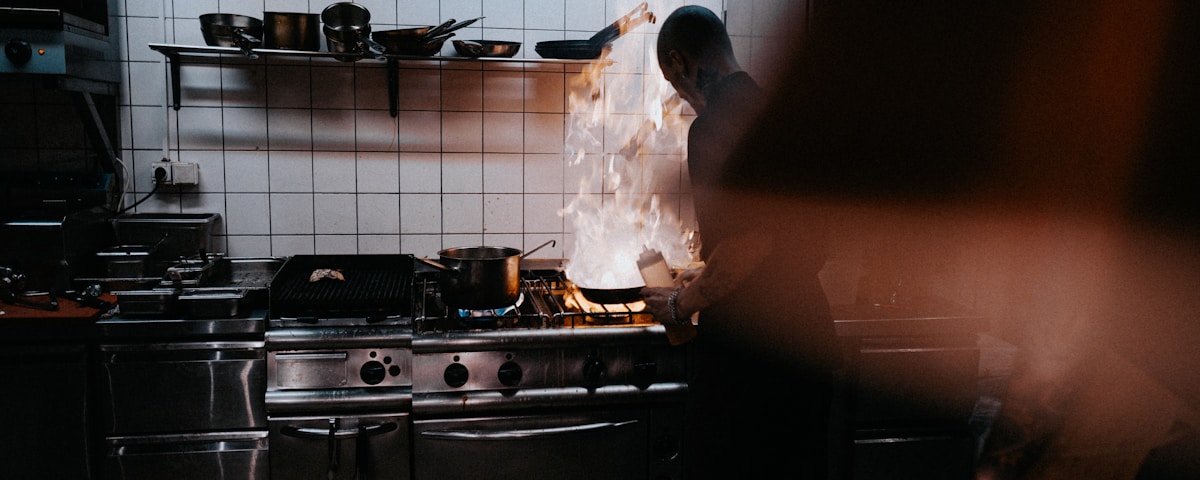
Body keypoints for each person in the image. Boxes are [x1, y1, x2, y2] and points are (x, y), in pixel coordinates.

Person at [641, 6, 844, 479]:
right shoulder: (786, 117)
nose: (683, 98)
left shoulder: (712, 127)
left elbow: (747, 245)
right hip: (808, 350)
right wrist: (706, 270)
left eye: (675, 85)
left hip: (750, 365)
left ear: (679, 61)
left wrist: (679, 302)